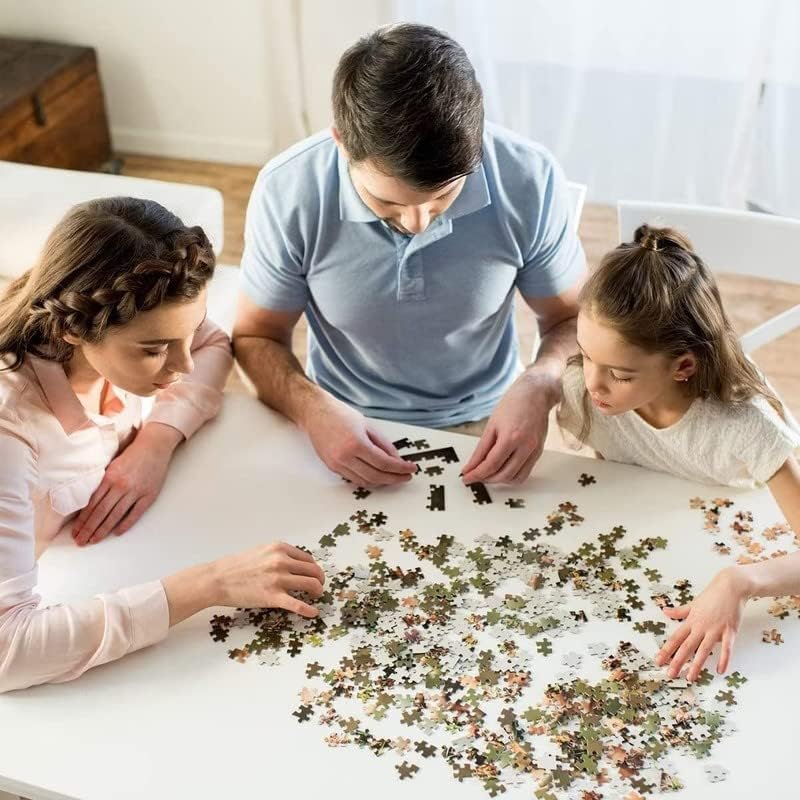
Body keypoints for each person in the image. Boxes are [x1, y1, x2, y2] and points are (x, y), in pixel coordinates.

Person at [233, 23, 586, 489]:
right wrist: (311, 408)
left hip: (490, 419)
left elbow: (573, 321)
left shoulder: (529, 177)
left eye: (444, 198)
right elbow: (256, 337)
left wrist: (541, 384)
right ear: (342, 143)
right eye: (389, 203)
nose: (419, 223)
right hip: (337, 420)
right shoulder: (288, 191)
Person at [0, 198, 324, 693]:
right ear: (71, 329)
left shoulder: (125, 318)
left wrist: (156, 440)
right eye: (153, 350)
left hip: (117, 554)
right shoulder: (11, 431)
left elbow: (214, 345)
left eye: (185, 334)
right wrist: (210, 584)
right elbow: (8, 650)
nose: (184, 367)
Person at [557, 224, 800, 682]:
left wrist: (740, 581)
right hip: (666, 548)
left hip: (750, 533)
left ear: (683, 366)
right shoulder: (585, 394)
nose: (593, 383)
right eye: (586, 355)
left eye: (620, 374)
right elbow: (616, 483)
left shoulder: (748, 426)